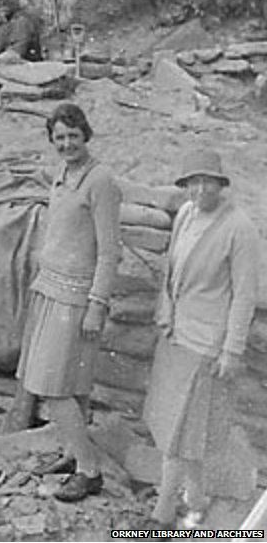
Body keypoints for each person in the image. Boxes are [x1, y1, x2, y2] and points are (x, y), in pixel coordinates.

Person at [142, 149, 260, 529]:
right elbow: (171, 271)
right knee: (179, 428)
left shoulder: (239, 228)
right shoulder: (186, 216)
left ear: (221, 184)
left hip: (206, 344)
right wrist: (165, 311)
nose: (200, 189)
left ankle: (161, 517)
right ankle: (195, 498)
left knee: (179, 434)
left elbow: (244, 296)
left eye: (208, 180)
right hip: (177, 337)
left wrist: (232, 350)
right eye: (193, 181)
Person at [13, 103, 122, 501]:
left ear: (86, 135)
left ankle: (89, 471)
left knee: (54, 387)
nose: (66, 144)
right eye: (58, 137)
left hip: (76, 298)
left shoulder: (101, 181)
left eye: (73, 136)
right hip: (50, 289)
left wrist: (98, 303)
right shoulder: (60, 175)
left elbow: (110, 251)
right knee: (67, 385)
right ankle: (73, 453)